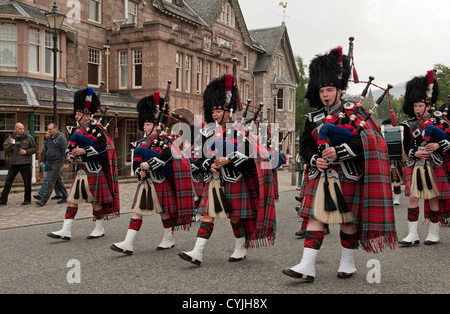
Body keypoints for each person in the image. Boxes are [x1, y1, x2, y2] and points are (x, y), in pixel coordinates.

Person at [282, 46, 396, 283]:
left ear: (340, 90)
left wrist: (340, 151)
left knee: (347, 221)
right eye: (322, 90)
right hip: (321, 174)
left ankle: (347, 263)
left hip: (347, 173)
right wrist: (315, 159)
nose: (325, 95)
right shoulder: (312, 118)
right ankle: (307, 266)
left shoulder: (355, 111)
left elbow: (372, 140)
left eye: (330, 90)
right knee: (315, 218)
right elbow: (306, 147)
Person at [178, 74, 276, 266]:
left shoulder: (241, 129)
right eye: (212, 110)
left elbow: (252, 154)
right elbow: (199, 158)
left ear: (228, 110)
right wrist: (209, 165)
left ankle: (240, 247)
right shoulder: (206, 131)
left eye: (218, 110)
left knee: (235, 217)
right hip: (214, 180)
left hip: (235, 179)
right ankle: (197, 252)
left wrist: (228, 159)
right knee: (207, 215)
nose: (215, 114)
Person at [110, 91, 195, 255]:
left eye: (148, 124)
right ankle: (128, 243)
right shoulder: (140, 142)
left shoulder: (166, 138)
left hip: (161, 180)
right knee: (137, 212)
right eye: (144, 124)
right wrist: (138, 173)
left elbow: (169, 154)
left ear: (156, 126)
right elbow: (135, 163)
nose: (144, 126)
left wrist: (149, 164)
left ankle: (169, 238)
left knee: (164, 213)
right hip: (146, 182)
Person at [47, 87, 120, 240]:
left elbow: (103, 147)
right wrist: (70, 156)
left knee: (96, 201)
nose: (76, 117)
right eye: (76, 114)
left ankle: (99, 229)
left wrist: (85, 151)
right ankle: (65, 230)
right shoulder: (77, 131)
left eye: (79, 114)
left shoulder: (97, 129)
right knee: (73, 200)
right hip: (80, 171)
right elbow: (70, 147)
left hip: (94, 170)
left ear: (87, 115)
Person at [398, 71, 450, 246]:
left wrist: (438, 145)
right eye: (415, 106)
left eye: (420, 105)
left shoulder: (439, 122)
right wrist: (415, 153)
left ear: (428, 106)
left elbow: (448, 139)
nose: (417, 109)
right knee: (413, 197)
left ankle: (433, 233)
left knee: (433, 197)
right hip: (416, 163)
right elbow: (406, 146)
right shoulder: (408, 125)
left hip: (434, 163)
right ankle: (412, 234)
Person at [0, 123, 38, 206]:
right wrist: (11, 144)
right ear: (15, 129)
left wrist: (26, 152)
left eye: (23, 128)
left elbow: (35, 148)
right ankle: (2, 200)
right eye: (20, 129)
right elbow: (6, 148)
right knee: (8, 182)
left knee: (27, 182)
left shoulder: (28, 137)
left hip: (25, 163)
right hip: (14, 163)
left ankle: (27, 200)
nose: (22, 130)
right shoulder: (11, 137)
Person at [35, 123, 69, 207]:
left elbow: (65, 150)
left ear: (55, 129)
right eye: (48, 129)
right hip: (50, 162)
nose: (48, 131)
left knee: (50, 181)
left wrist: (65, 163)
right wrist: (43, 160)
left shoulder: (61, 138)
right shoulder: (49, 138)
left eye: (50, 129)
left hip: (58, 162)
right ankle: (65, 196)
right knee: (58, 182)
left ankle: (43, 200)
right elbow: (45, 150)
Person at [34, 131, 64, 201]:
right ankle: (60, 194)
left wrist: (64, 162)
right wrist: (42, 161)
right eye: (46, 134)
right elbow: (44, 153)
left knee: (48, 179)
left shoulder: (57, 142)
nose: (46, 135)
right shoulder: (46, 143)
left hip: (56, 164)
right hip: (49, 164)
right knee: (57, 181)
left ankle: (41, 195)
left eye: (48, 134)